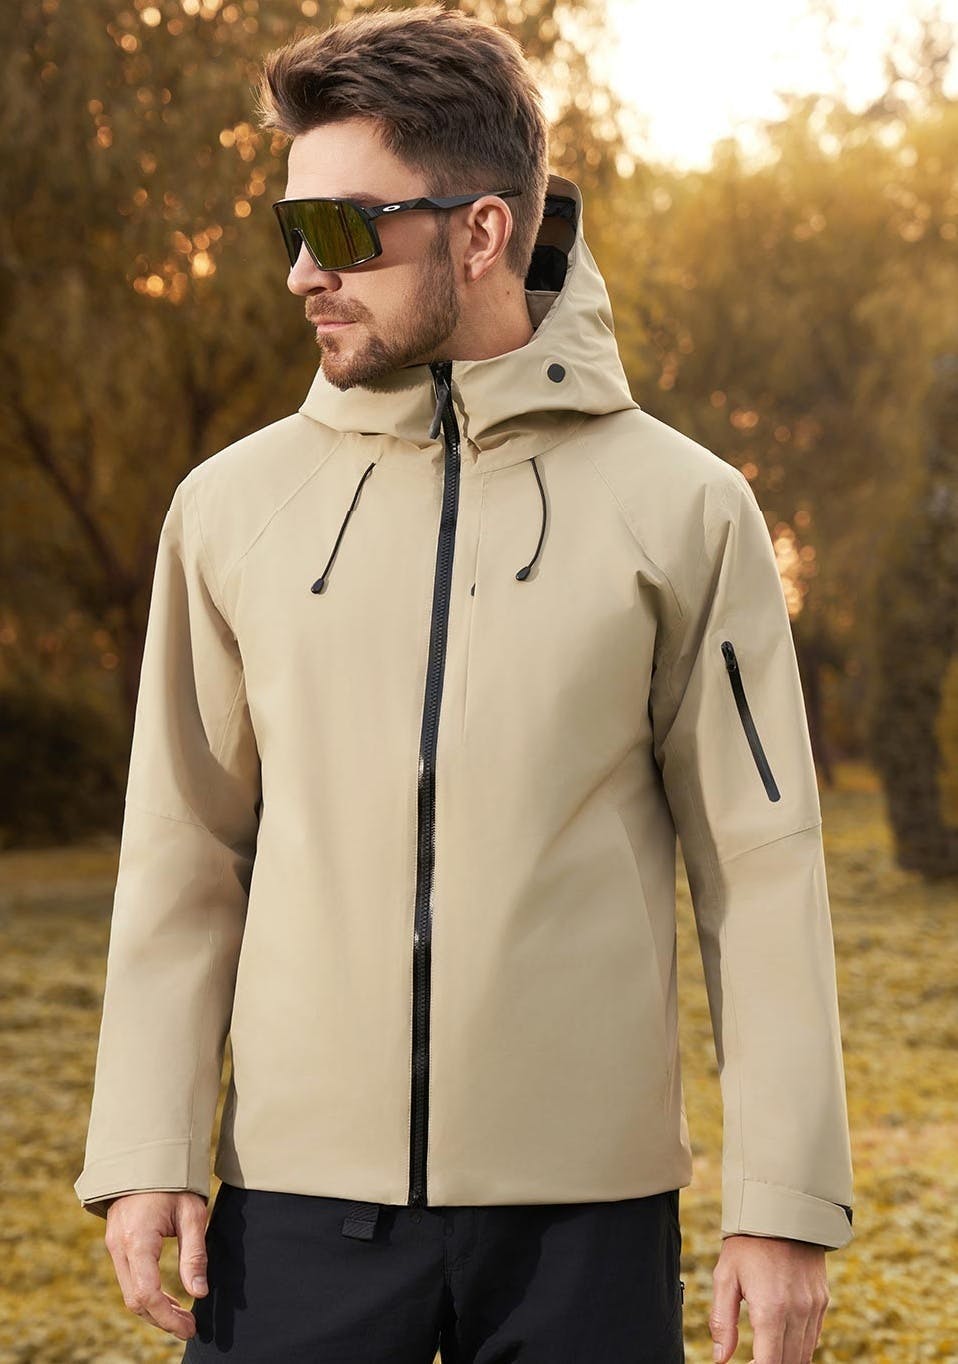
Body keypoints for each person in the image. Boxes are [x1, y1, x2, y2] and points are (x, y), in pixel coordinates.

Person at [73, 6, 854, 1362]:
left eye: (340, 230)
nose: (302, 275)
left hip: (584, 1220)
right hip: (294, 1211)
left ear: (481, 231)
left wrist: (782, 1203)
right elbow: (184, 846)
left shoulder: (687, 509)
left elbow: (762, 861)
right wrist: (147, 1148)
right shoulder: (230, 510)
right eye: (290, 229)